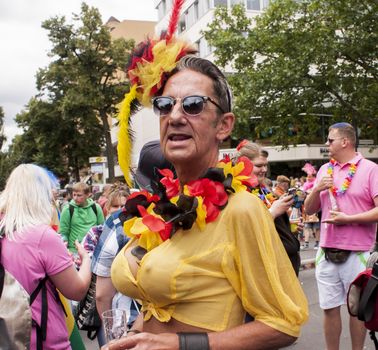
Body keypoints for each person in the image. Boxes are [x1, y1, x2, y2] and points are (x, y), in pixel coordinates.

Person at [105, 7, 308, 346]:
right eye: (166, 105)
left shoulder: (241, 209)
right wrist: (138, 333)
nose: (176, 116)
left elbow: (283, 324)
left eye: (194, 104)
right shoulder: (161, 207)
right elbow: (161, 301)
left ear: (224, 126)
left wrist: (180, 344)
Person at [0, 164, 91, 349]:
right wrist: (87, 258)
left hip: (9, 338)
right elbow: (77, 290)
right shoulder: (42, 236)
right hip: (43, 340)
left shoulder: (4, 230)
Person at [304, 122, 378, 350]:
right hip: (326, 251)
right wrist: (317, 189)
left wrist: (348, 219)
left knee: (357, 309)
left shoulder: (370, 169)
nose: (327, 144)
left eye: (330, 140)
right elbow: (308, 209)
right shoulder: (325, 169)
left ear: (345, 141)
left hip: (358, 252)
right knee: (329, 307)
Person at [236, 141, 302, 275]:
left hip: (285, 264)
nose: (264, 170)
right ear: (242, 166)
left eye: (266, 165)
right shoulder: (238, 194)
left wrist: (289, 227)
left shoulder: (264, 191)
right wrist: (273, 212)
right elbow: (245, 231)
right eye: (259, 165)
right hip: (266, 269)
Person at [59, 182, 104, 254]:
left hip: (93, 250)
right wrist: (64, 244)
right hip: (74, 251)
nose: (75, 198)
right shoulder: (68, 209)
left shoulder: (96, 207)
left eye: (79, 195)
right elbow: (63, 232)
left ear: (88, 195)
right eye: (74, 195)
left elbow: (101, 229)